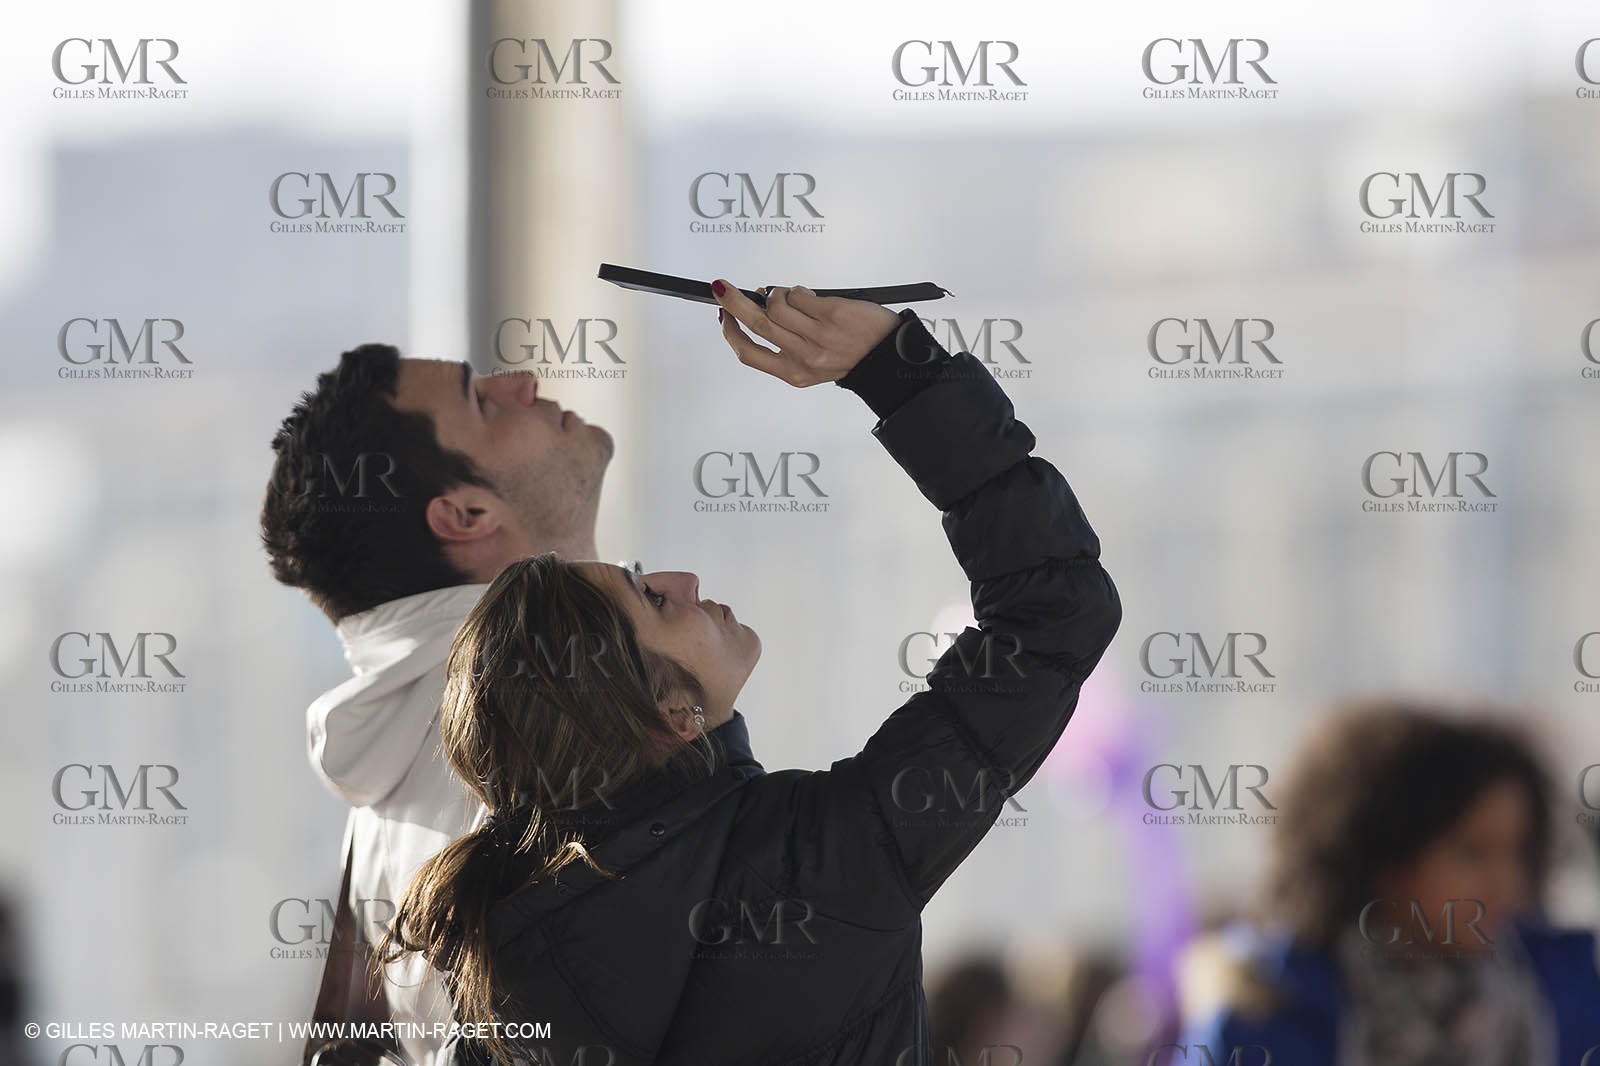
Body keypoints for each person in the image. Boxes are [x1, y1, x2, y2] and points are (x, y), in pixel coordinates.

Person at [382, 280, 1124, 1065]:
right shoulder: (824, 861)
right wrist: (895, 368)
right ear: (672, 714)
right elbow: (1054, 610)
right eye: (651, 598)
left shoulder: (498, 965)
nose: (686, 583)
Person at [260, 342, 613, 1065]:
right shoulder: (546, 709)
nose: (521, 382)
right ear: (465, 513)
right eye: (481, 401)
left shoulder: (386, 792)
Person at [1179, 700, 1600, 1066]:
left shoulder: (1571, 1002)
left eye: (1517, 852)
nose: (1505, 882)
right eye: (1472, 852)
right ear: (1387, 857)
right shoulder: (1266, 1015)